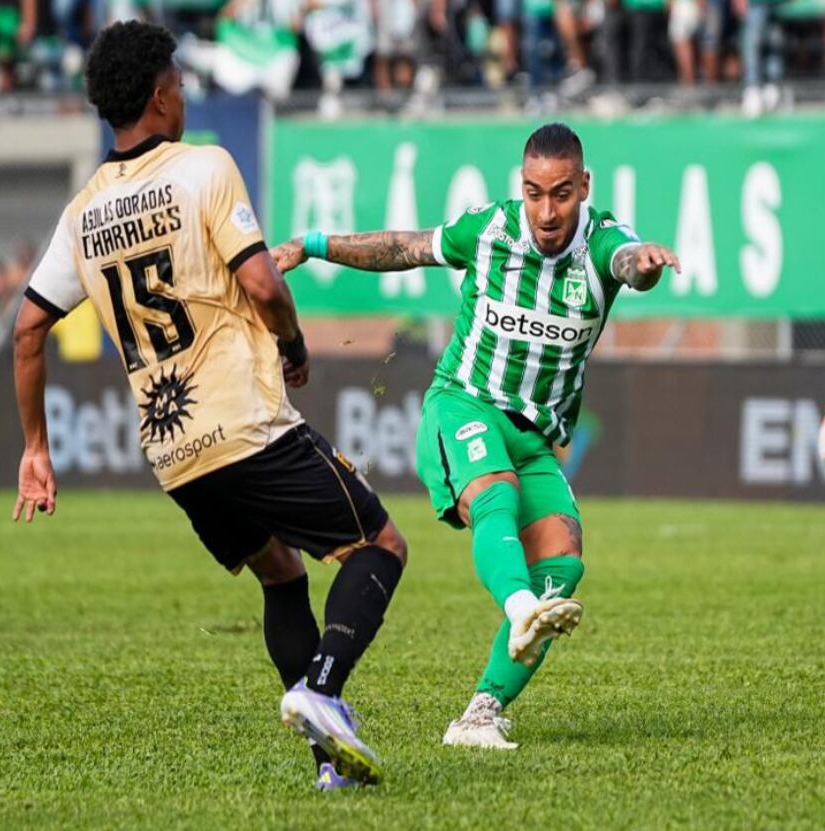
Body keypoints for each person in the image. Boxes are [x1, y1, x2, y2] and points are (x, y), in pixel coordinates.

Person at [9, 20, 406, 790]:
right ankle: (322, 690)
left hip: (175, 454)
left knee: (281, 573)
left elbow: (27, 329)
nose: (186, 95)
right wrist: (292, 341)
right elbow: (262, 284)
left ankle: (332, 765)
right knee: (380, 545)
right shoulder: (204, 169)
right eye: (181, 83)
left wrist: (35, 447)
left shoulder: (82, 212)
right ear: (161, 96)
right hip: (246, 422)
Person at [270, 122, 680, 750]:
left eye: (561, 194)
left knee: (563, 562)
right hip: (463, 402)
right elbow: (404, 248)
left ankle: (480, 715)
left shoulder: (604, 242)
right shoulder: (490, 230)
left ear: (584, 186)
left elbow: (630, 264)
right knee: (496, 492)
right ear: (522, 187)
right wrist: (313, 244)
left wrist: (644, 265)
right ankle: (520, 610)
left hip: (533, 437)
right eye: (534, 193)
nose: (547, 212)